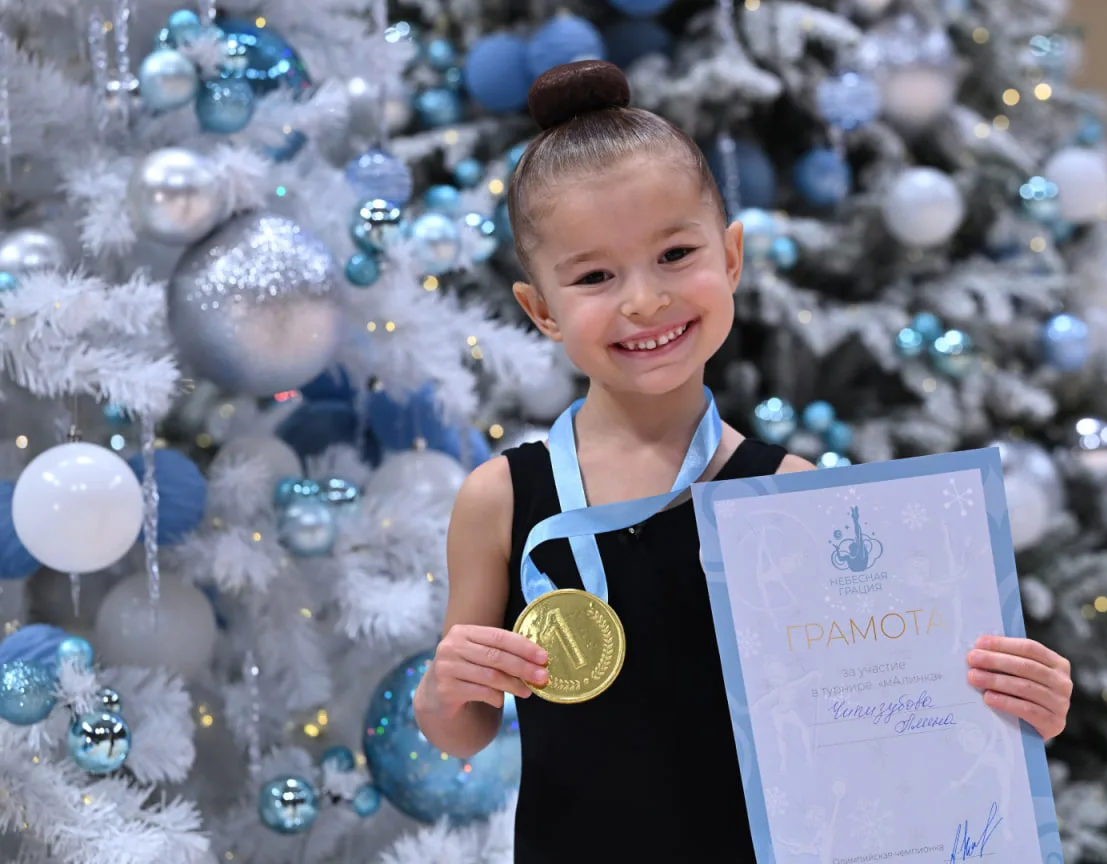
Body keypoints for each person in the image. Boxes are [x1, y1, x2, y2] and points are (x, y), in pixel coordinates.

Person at [412, 60, 1073, 862]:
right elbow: (464, 730)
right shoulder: (501, 500)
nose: (644, 300)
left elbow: (889, 730)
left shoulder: (796, 499)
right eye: (594, 276)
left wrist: (1010, 709)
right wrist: (447, 688)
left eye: (674, 254)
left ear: (730, 257)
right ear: (541, 309)